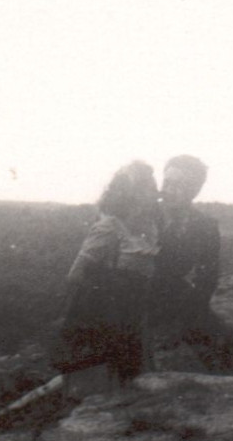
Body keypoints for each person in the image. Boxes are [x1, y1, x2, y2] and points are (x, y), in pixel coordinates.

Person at [52, 160, 160, 397]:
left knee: (134, 389)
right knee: (100, 391)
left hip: (133, 320)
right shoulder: (109, 228)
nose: (157, 193)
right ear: (133, 194)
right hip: (104, 320)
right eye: (150, 188)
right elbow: (75, 276)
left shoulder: (150, 227)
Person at [149, 155, 233, 371]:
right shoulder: (143, 215)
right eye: (167, 182)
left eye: (179, 185)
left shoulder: (206, 226)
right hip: (134, 295)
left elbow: (207, 279)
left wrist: (188, 316)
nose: (169, 190)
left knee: (225, 345)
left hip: (175, 298)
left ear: (195, 190)